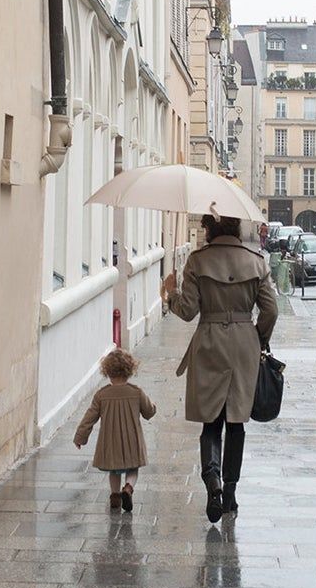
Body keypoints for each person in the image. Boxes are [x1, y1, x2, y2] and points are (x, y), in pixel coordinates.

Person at [161, 214, 277, 523]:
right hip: (243, 345)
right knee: (236, 421)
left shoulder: (198, 261)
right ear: (237, 228)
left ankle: (211, 481)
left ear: (211, 229)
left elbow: (187, 312)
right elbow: (270, 310)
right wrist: (258, 338)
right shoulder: (256, 261)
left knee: (210, 420)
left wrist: (170, 293)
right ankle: (230, 493)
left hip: (209, 341)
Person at [73, 348, 156, 513]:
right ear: (129, 370)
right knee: (133, 468)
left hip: (111, 441)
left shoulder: (101, 395)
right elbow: (149, 412)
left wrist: (80, 437)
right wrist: (153, 407)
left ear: (107, 372)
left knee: (114, 470)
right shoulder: (136, 392)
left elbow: (89, 418)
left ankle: (115, 496)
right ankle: (129, 488)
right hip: (132, 440)